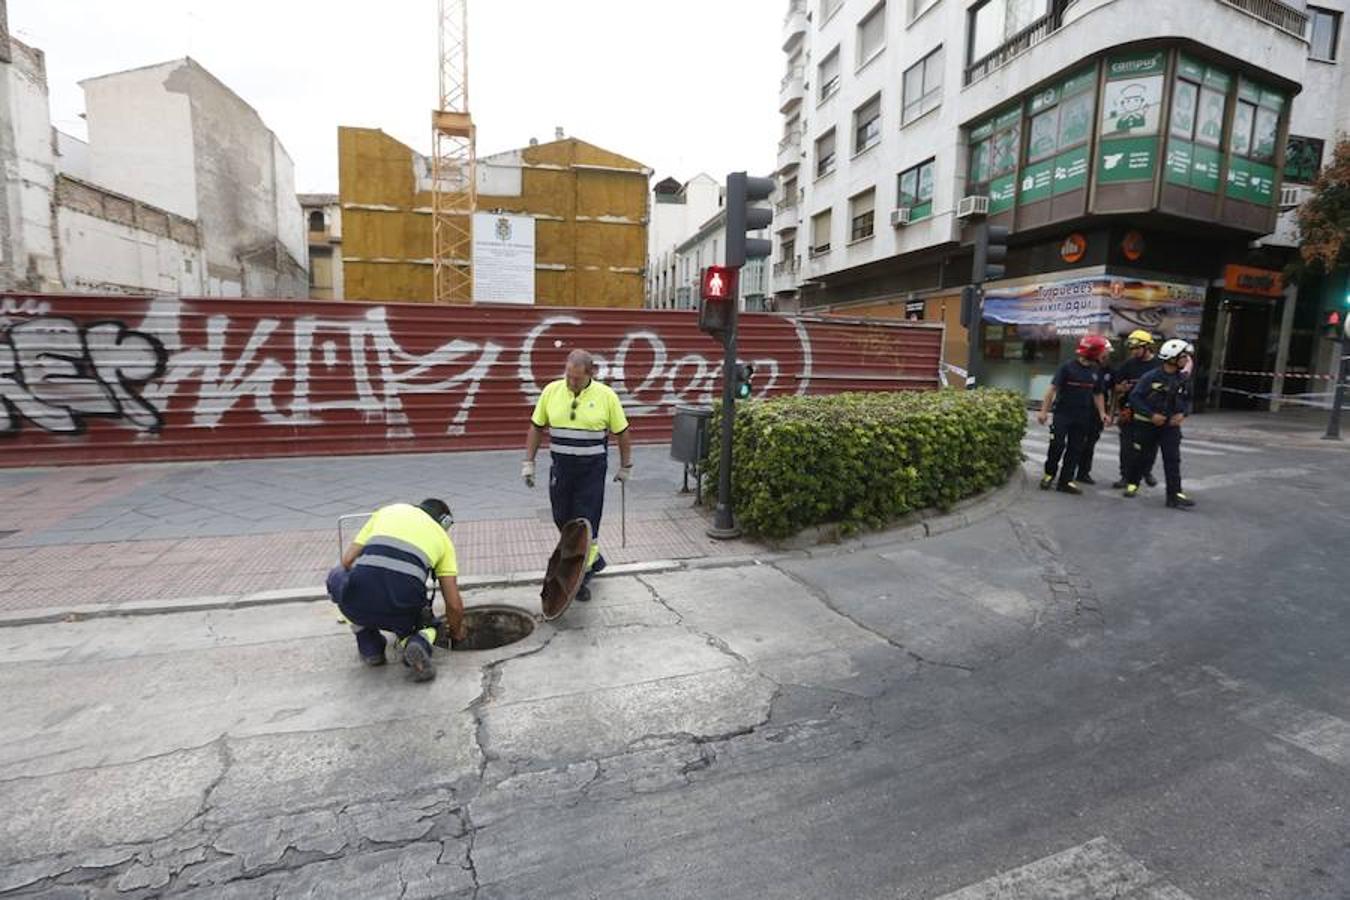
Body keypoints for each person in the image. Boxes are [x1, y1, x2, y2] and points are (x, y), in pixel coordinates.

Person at [522, 349, 634, 603]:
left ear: (590, 373)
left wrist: (626, 466)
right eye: (568, 376)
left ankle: (580, 578)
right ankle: (595, 561)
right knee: (562, 518)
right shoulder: (551, 391)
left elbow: (623, 432)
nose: (571, 382)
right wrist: (528, 462)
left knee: (586, 524)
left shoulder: (607, 396)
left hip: (591, 472)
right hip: (561, 469)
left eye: (576, 378)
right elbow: (536, 427)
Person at [326, 498, 466, 682]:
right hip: (401, 609)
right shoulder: (442, 539)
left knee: (340, 576)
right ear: (444, 522)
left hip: (355, 605)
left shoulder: (388, 511)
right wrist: (456, 633)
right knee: (427, 625)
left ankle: (371, 648)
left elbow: (347, 561)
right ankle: (417, 643)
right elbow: (453, 605)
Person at [1122, 339, 1197, 509]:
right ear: (1172, 358)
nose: (1186, 360)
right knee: (1142, 456)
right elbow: (1135, 397)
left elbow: (1188, 401)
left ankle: (1174, 495)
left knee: (1172, 459)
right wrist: (1151, 415)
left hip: (1171, 427)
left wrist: (1183, 414)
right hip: (1148, 425)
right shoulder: (1151, 377)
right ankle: (1133, 483)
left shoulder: (1183, 379)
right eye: (1183, 356)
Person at [1037, 335, 1110, 495]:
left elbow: (1098, 394)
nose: (1103, 355)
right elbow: (1052, 390)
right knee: (1057, 445)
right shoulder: (1067, 368)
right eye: (1101, 352)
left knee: (1075, 449)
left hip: (1083, 416)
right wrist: (1043, 411)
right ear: (1093, 352)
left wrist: (1102, 413)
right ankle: (1049, 474)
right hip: (1063, 414)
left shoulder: (1096, 370)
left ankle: (1065, 481)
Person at [1110, 330, 1159, 490]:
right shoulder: (1128, 365)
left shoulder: (1158, 365)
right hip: (1129, 411)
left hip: (1151, 412)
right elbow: (1116, 387)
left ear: (1147, 347)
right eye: (1131, 348)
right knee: (1126, 446)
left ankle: (1146, 472)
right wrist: (1122, 387)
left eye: (1137, 348)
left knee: (1150, 446)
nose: (1133, 351)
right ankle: (1125, 476)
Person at [1074, 337, 1113, 485]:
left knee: (1090, 443)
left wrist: (1107, 412)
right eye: (1105, 352)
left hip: (1097, 412)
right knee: (1076, 442)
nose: (1106, 355)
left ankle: (1083, 472)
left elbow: (1108, 391)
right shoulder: (1085, 365)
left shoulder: (1108, 369)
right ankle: (1069, 470)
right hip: (1081, 409)